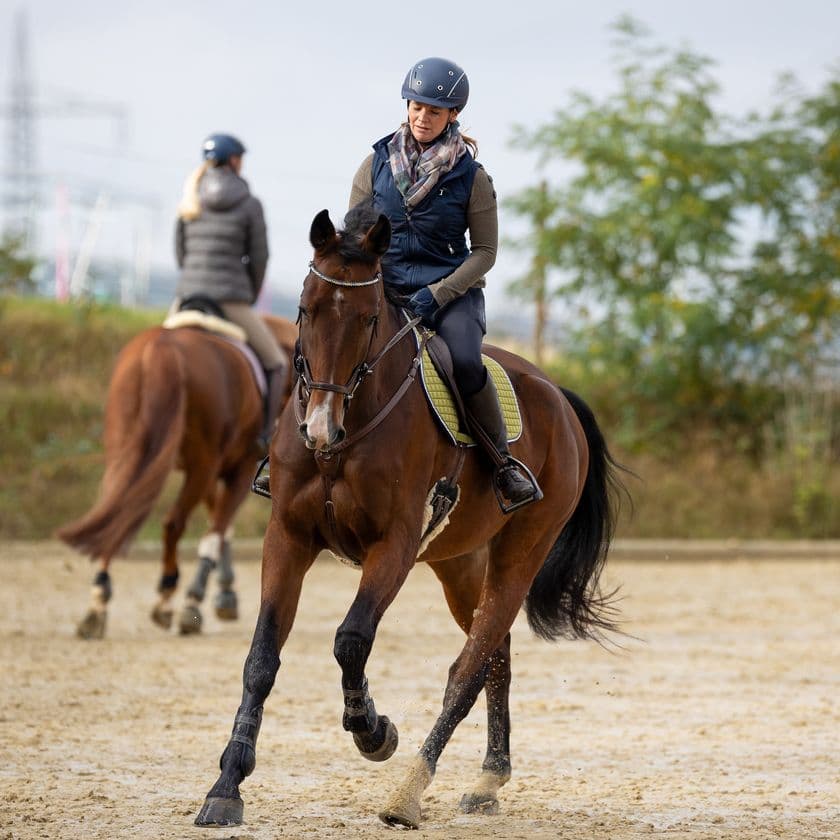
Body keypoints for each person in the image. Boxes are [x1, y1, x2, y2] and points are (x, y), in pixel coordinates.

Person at [348, 57, 541, 511]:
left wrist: (437, 294)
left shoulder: (472, 177)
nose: (423, 117)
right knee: (324, 347)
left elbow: (486, 253)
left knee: (466, 363)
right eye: (417, 106)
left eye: (434, 111)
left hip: (449, 294)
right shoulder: (373, 164)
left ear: (452, 115)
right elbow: (356, 234)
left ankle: (503, 464)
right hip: (386, 289)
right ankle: (284, 458)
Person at [173, 133, 287, 454]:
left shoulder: (189, 198)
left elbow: (181, 253)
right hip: (230, 299)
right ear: (235, 161)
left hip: (186, 298)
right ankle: (264, 436)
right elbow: (260, 257)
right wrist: (246, 294)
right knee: (276, 363)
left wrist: (193, 282)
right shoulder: (250, 204)